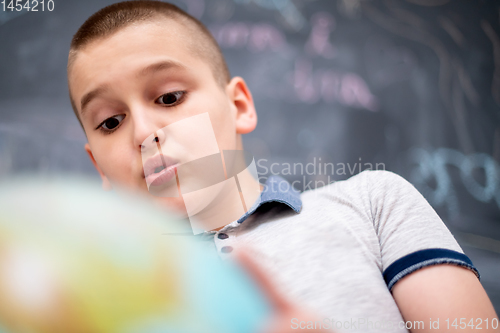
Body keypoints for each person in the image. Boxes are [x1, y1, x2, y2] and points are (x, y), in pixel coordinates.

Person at [67, 1, 499, 332]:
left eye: (169, 98)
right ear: (98, 166)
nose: (144, 131)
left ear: (239, 106)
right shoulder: (85, 302)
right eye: (110, 122)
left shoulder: (373, 205)